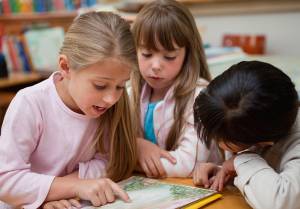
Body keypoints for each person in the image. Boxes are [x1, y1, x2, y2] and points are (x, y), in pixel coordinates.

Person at [0, 11, 138, 209]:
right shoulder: (30, 103)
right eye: (100, 85)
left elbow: (110, 161)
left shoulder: (107, 107)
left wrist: (69, 188)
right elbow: (5, 181)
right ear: (65, 66)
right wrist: (72, 186)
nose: (111, 98)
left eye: (120, 86)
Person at [131, 0, 221, 178]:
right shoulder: (127, 89)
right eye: (147, 54)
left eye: (169, 56)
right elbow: (104, 145)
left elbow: (187, 165)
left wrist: (130, 157)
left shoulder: (200, 96)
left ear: (187, 54)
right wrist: (136, 145)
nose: (156, 65)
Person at [193, 60, 300, 209]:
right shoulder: (253, 125)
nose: (216, 141)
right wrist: (225, 171)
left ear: (264, 142)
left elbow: (282, 202)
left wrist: (241, 161)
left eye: (220, 138)